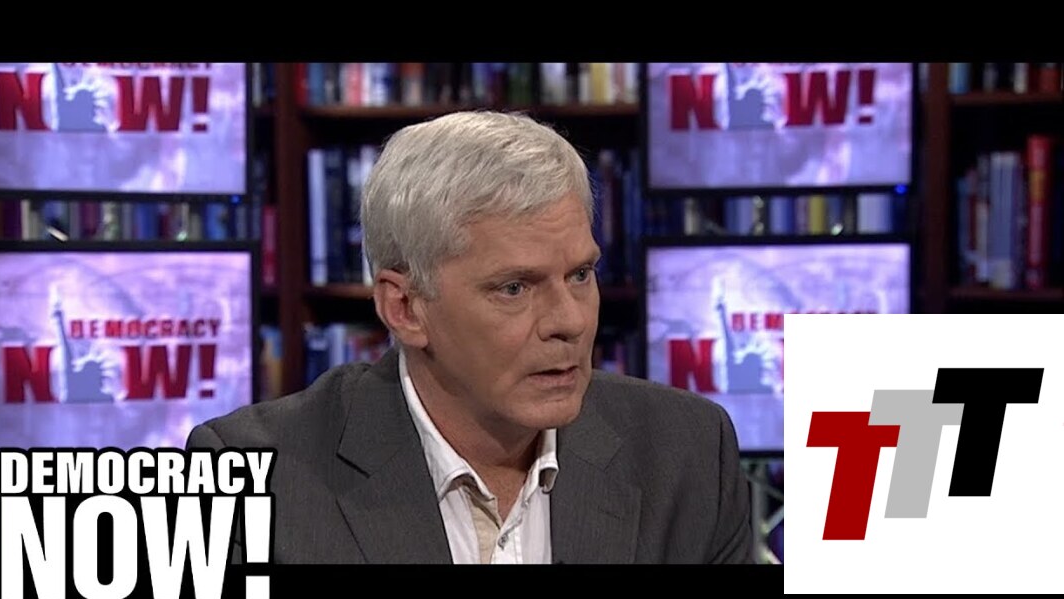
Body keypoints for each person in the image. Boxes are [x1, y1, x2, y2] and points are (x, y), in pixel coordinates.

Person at [186, 110, 754, 564]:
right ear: (405, 308)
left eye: (581, 275)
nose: (571, 321)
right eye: (514, 288)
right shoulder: (252, 476)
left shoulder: (687, 454)